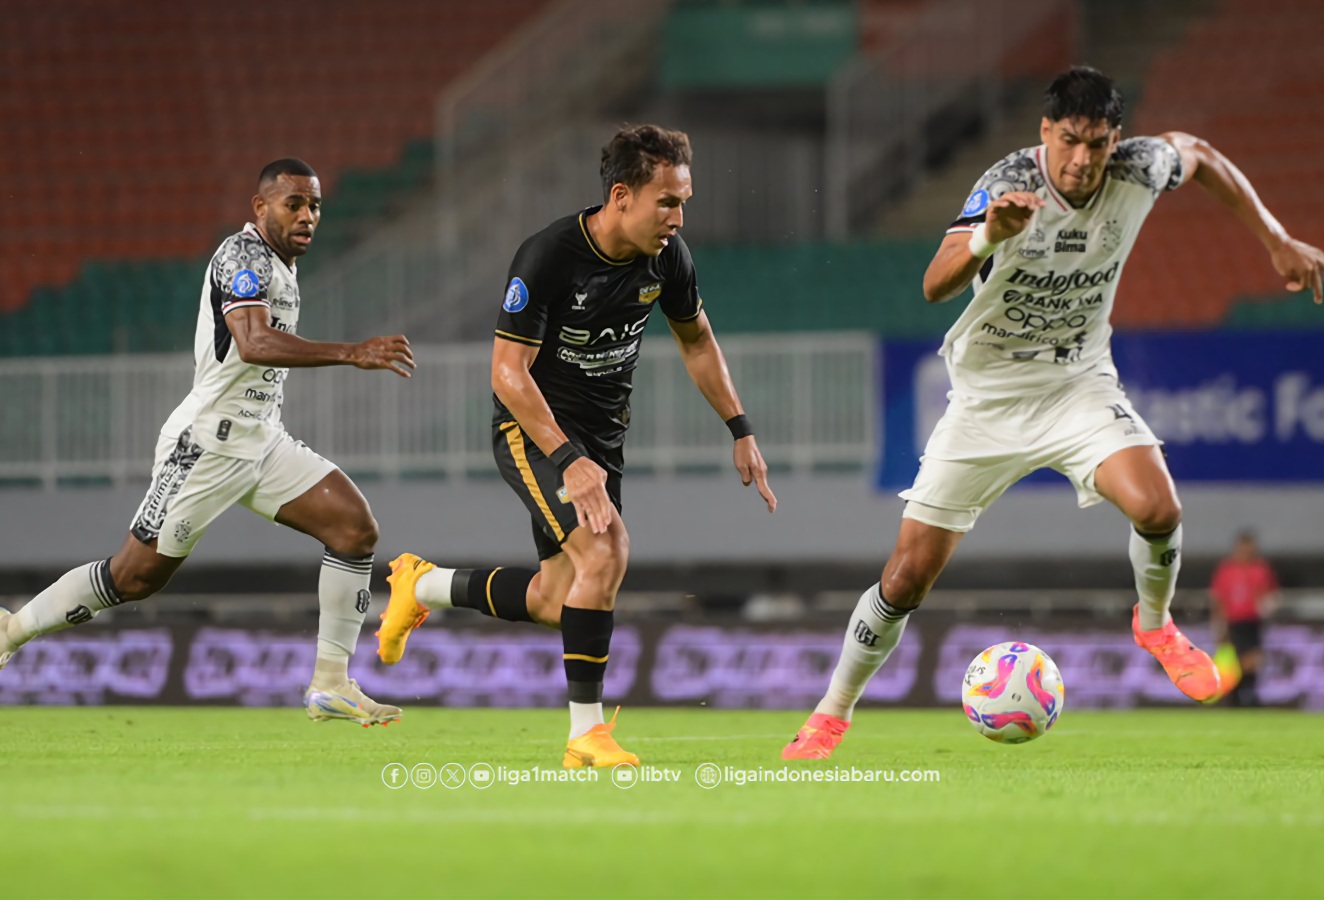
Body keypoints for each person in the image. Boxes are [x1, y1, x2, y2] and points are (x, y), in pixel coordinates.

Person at [783, 66, 1324, 759]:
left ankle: (1155, 624)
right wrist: (987, 236)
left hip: (1077, 386)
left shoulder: (1140, 168)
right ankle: (831, 713)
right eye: (1069, 140)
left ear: (1115, 140)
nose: (1081, 159)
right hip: (986, 402)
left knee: (1159, 508)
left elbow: (1204, 155)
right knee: (905, 578)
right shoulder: (1010, 182)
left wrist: (1276, 239)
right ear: (1046, 132)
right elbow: (934, 284)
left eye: (1096, 143)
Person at [376, 125, 777, 767]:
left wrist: (741, 428)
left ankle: (422, 586)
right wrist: (569, 460)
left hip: (603, 438)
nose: (678, 218)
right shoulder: (549, 256)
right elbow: (507, 373)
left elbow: (697, 340)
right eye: (667, 202)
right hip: (535, 430)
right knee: (607, 549)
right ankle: (585, 736)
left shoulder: (669, 258)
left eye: (683, 202)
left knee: (554, 598)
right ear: (622, 196)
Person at [0, 159, 416, 727]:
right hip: (207, 445)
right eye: (294, 203)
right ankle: (12, 630)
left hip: (262, 440)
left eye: (315, 205)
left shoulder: (282, 266)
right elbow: (253, 343)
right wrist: (352, 352)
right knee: (134, 578)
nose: (307, 216)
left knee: (353, 527)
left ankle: (330, 684)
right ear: (260, 207)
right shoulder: (241, 255)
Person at [1210, 531, 1279, 707]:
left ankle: (1244, 694)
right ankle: (1233, 695)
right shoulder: (1227, 570)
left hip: (1252, 621)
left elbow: (1271, 594)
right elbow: (1218, 599)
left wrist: (1266, 606)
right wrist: (1218, 624)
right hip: (1232, 622)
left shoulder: (1261, 569)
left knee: (1253, 659)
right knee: (1236, 659)